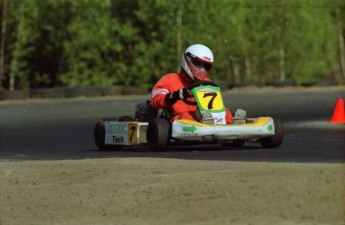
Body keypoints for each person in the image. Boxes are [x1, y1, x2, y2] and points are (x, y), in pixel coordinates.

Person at [150, 44, 233, 124]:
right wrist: (176, 95)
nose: (202, 70)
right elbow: (156, 101)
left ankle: (231, 124)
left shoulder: (207, 83)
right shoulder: (169, 79)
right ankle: (206, 125)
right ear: (187, 59)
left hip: (204, 116)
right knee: (186, 117)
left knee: (227, 114)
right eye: (198, 63)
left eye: (206, 66)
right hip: (177, 119)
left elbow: (213, 106)